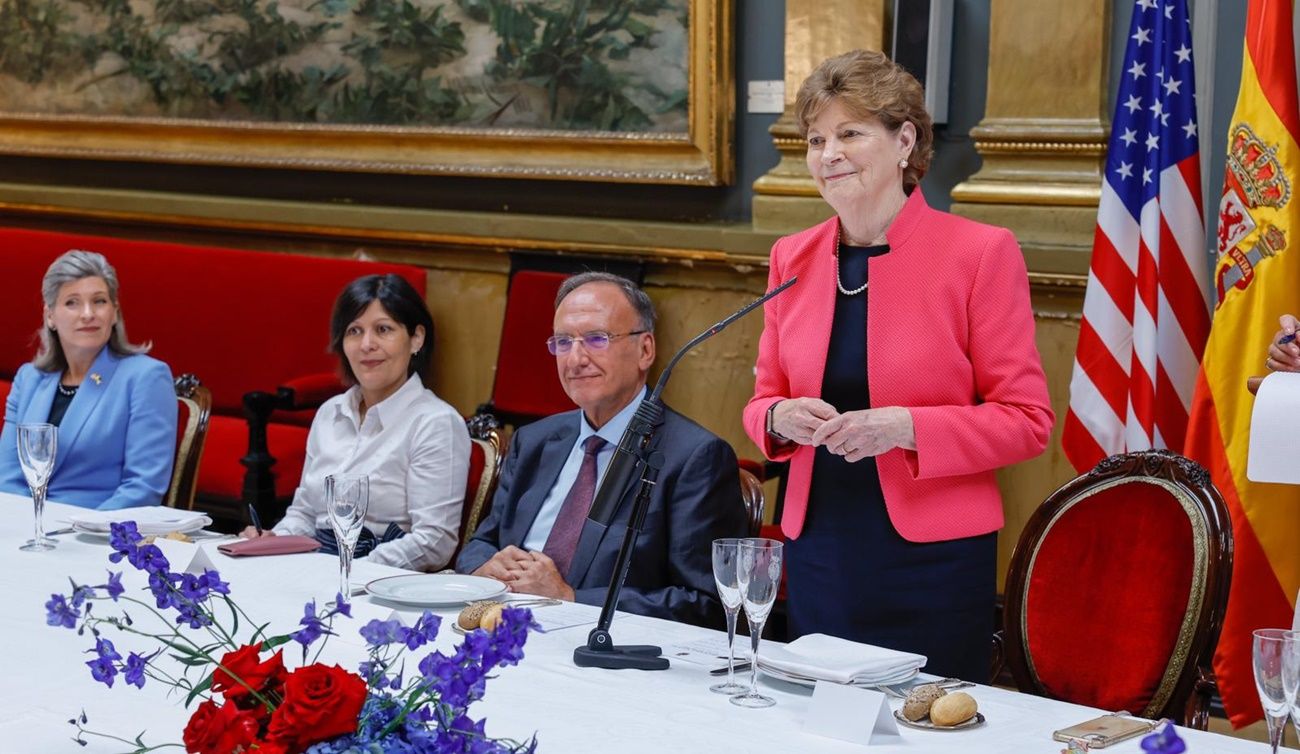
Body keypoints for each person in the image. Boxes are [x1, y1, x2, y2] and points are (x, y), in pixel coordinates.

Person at [742, 50, 1054, 682]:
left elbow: (1027, 421)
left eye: (850, 134)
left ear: (905, 140)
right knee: (818, 722)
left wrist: (906, 427)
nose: (828, 154)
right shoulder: (791, 257)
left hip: (932, 559)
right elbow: (760, 401)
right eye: (816, 139)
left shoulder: (978, 254)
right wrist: (779, 416)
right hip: (820, 545)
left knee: (923, 728)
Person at [457, 272, 747, 627]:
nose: (575, 359)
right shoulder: (534, 441)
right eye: (563, 342)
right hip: (501, 628)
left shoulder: (694, 458)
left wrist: (570, 598)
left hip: (606, 652)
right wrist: (484, 564)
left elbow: (706, 605)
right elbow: (482, 540)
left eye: (596, 339)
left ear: (645, 350)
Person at [240, 274, 469, 572]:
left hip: (381, 577)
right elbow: (305, 514)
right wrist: (273, 540)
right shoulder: (329, 413)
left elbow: (434, 541)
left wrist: (351, 570)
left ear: (416, 338)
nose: (366, 344)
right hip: (313, 566)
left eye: (383, 329)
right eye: (354, 331)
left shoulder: (436, 423)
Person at [0, 250, 177, 509]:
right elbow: (7, 474)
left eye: (99, 301)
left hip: (97, 533)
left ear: (114, 312)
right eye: (72, 302)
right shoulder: (30, 378)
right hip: (26, 533)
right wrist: (31, 527)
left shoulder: (145, 378)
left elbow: (143, 488)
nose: (87, 314)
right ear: (50, 315)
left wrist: (72, 530)